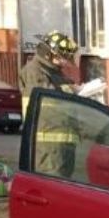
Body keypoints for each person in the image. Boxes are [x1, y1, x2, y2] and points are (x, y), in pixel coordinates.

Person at [19, 31, 80, 178]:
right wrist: (72, 90)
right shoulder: (35, 71)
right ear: (49, 54)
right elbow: (46, 95)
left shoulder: (54, 73)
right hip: (47, 147)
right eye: (63, 57)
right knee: (51, 186)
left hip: (61, 147)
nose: (66, 61)